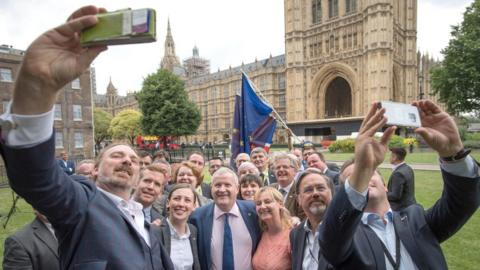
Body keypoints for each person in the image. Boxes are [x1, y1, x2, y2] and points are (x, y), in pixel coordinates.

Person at [0, 6, 173, 269]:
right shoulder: (81, 204)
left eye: (133, 159)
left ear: (139, 173)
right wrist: (39, 85)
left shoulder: (148, 225)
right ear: (94, 169)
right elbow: (36, 178)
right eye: (116, 155)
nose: (127, 161)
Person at [319, 100, 480, 270]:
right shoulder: (346, 236)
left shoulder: (416, 220)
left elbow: (462, 202)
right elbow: (332, 241)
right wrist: (363, 169)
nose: (365, 179)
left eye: (372, 173)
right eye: (352, 178)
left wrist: (453, 153)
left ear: (385, 186)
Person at [190, 167, 261, 270]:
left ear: (237, 188)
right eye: (217, 185)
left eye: (227, 185)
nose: (222, 190)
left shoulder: (253, 211)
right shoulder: (198, 217)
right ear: (211, 188)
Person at [290, 169, 334, 270]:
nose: (315, 194)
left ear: (332, 194)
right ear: (299, 200)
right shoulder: (296, 234)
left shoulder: (346, 229)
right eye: (308, 190)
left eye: (321, 188)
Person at [158, 184, 201, 270]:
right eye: (177, 198)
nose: (181, 204)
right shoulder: (156, 230)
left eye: (187, 200)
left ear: (193, 206)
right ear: (167, 203)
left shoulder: (194, 232)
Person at [252, 187, 293, 270]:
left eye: (267, 202)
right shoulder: (261, 233)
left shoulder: (293, 235)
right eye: (259, 203)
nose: (262, 206)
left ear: (280, 204)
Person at [271, 153, 305, 220]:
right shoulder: (270, 189)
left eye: (285, 167)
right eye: (278, 167)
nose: (281, 169)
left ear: (295, 171)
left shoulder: (300, 191)